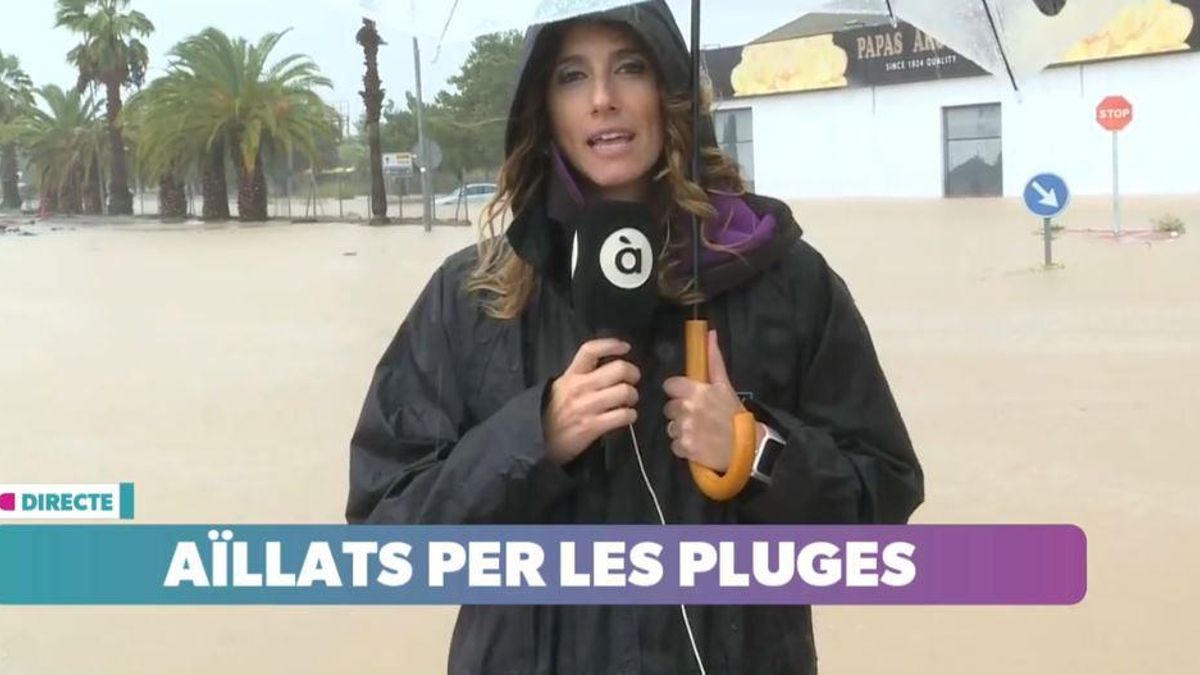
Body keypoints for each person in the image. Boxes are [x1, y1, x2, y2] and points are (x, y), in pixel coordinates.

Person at [346, 2, 923, 672]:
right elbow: (384, 531)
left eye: (630, 67)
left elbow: (882, 503)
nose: (602, 100)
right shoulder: (473, 295)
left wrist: (756, 452)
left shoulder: (785, 279)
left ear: (671, 92)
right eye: (571, 76)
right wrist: (535, 439)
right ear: (542, 108)